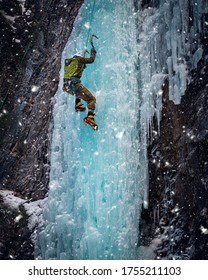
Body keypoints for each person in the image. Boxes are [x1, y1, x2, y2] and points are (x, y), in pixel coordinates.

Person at [63, 45, 97, 129]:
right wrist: (93, 52)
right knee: (91, 99)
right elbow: (91, 60)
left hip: (67, 86)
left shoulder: (70, 64)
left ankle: (77, 104)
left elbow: (79, 69)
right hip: (74, 84)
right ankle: (90, 117)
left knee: (78, 92)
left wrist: (82, 65)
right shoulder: (79, 59)